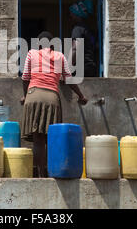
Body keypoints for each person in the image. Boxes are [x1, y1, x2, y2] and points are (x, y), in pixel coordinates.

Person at [20, 31, 88, 177]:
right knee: (50, 138)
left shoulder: (32, 54)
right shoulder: (60, 56)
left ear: (38, 44)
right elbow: (69, 80)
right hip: (52, 98)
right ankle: (53, 171)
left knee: (37, 140)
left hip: (33, 95)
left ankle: (40, 174)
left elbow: (25, 78)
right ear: (52, 44)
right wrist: (81, 96)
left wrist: (25, 96)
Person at [68, 0, 98, 77]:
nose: (70, 16)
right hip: (91, 67)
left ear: (77, 14)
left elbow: (75, 49)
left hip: (83, 68)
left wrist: (67, 69)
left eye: (71, 14)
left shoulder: (77, 29)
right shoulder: (87, 29)